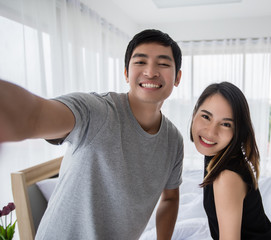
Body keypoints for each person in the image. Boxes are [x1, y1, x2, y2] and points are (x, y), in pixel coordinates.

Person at [0, 29, 183, 240]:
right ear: (126, 73)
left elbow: (170, 198)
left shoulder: (173, 141)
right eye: (140, 62)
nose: (150, 72)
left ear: (177, 77)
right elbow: (35, 114)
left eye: (163, 63)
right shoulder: (98, 111)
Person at [190, 82, 271, 239]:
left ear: (238, 132)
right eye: (205, 116)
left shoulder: (227, 177)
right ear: (194, 114)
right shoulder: (218, 157)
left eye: (225, 124)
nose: (211, 131)